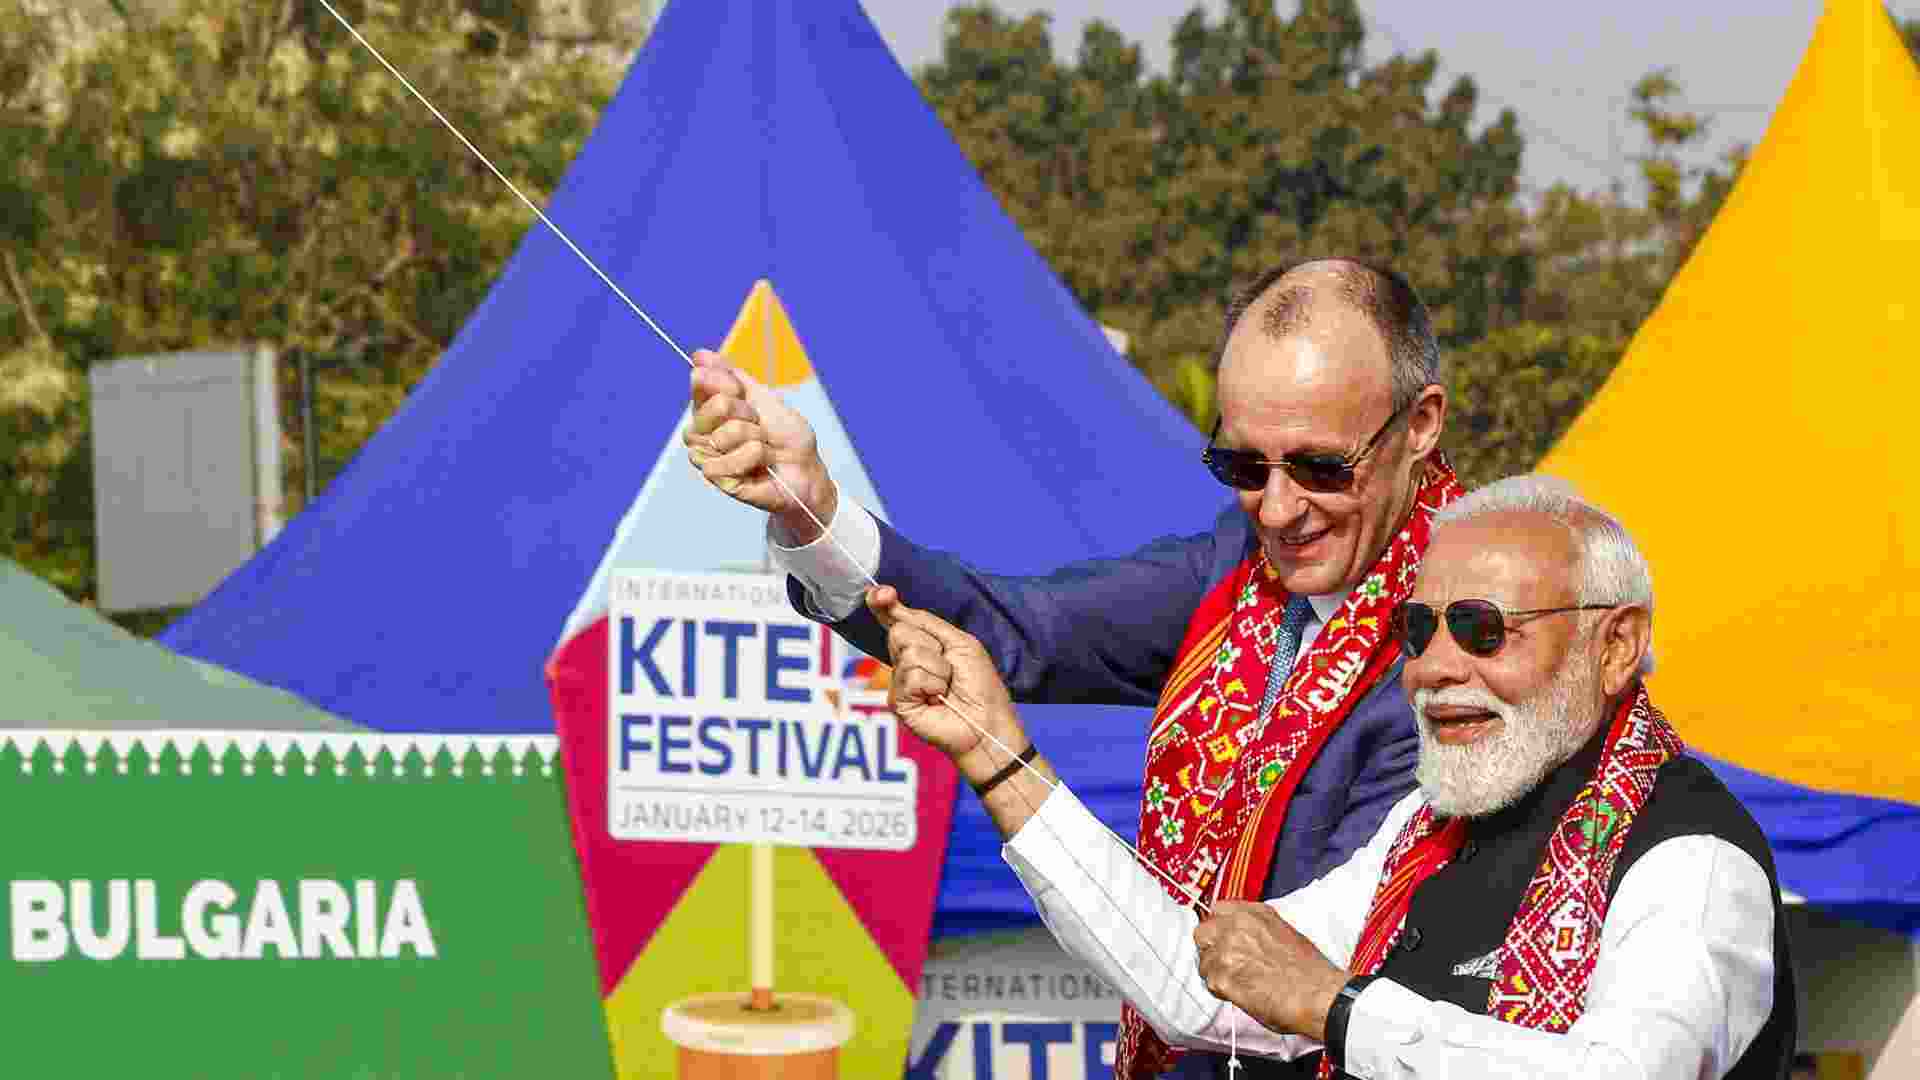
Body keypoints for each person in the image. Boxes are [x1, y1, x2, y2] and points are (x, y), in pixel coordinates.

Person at [687, 257, 1460, 1076]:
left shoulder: (1469, 653)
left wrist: (1002, 763)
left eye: (1321, 468)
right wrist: (812, 508)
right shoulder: (1235, 578)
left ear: (1420, 425)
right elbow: (1018, 627)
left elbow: (1259, 990)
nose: (1276, 508)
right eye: (1242, 467)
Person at [872, 474, 1796, 1078]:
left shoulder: (1690, 856)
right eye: (1415, 631)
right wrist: (999, 759)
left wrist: (1341, 1008)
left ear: (1615, 645)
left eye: (1481, 629)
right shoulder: (1426, 834)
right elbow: (1208, 983)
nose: (1434, 668)